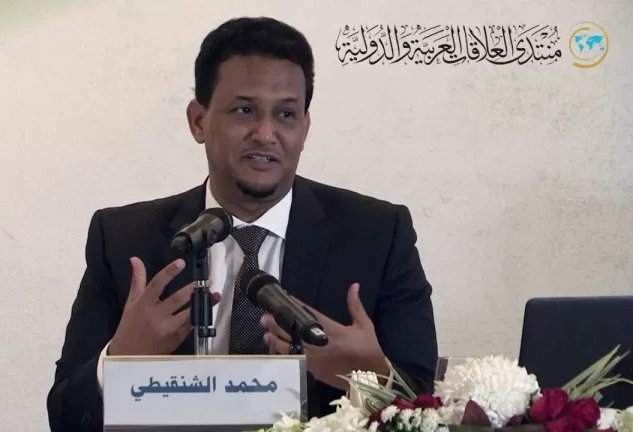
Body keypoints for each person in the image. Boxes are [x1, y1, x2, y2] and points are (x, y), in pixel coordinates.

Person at [47, 16, 438, 431]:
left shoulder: (378, 236)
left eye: (286, 114)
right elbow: (66, 418)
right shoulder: (123, 239)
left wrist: (372, 379)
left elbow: (431, 412)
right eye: (244, 110)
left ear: (305, 128)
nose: (265, 133)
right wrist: (117, 363)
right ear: (199, 121)